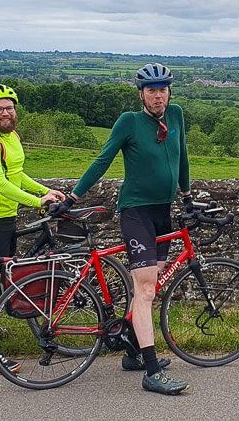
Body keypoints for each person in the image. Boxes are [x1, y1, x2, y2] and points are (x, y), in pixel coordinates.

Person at [51, 63, 192, 395]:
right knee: (144, 291)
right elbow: (103, 160)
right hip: (136, 212)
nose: (158, 96)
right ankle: (152, 371)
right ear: (141, 93)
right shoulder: (129, 122)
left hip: (163, 212)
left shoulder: (176, 116)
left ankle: (132, 352)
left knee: (149, 288)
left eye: (163, 90)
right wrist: (73, 197)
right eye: (152, 90)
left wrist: (187, 197)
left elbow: (182, 155)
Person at [0, 84, 64, 374]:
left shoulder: (12, 137)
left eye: (9, 108)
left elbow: (17, 175)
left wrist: (47, 190)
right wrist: (38, 202)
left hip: (5, 218)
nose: (5, 113)